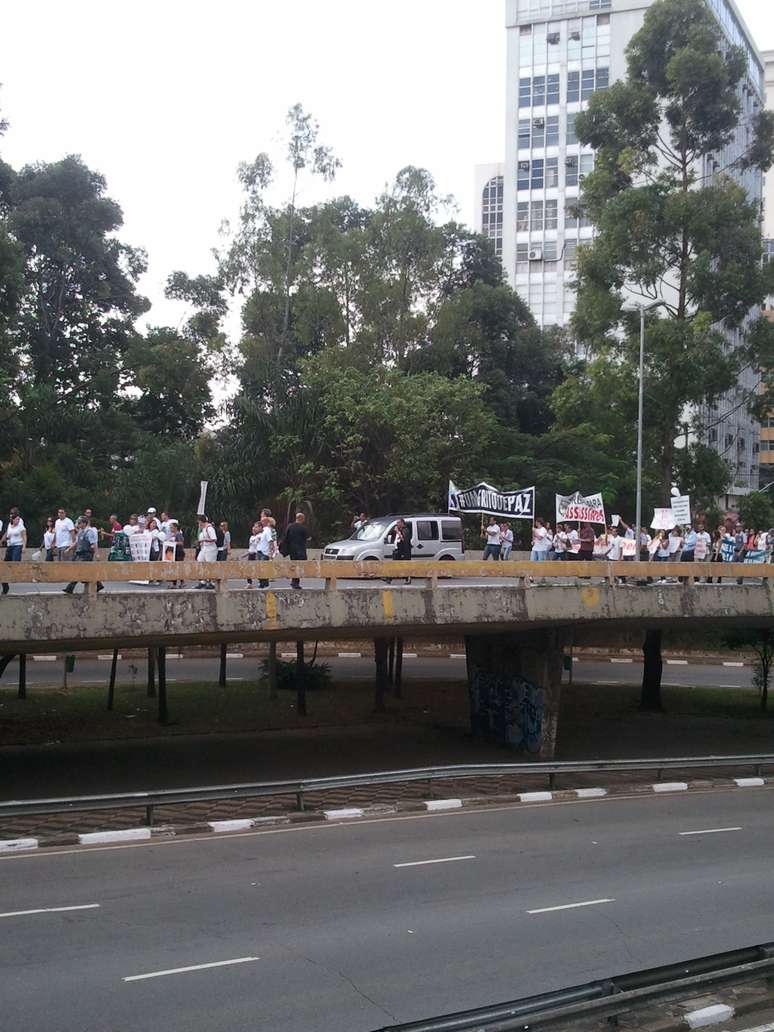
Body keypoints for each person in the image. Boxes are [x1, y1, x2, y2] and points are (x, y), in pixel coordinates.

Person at [62, 516, 104, 594]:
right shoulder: (81, 531)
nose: (78, 524)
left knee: (78, 570)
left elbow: (93, 543)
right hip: (80, 554)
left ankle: (70, 588)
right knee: (86, 572)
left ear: (84, 523)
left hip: (86, 554)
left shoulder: (89, 532)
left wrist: (97, 554)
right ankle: (98, 584)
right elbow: (77, 542)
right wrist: (69, 549)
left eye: (79, 523)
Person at [0, 512, 26, 595]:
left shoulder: (20, 526)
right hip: (10, 546)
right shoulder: (9, 525)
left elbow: (24, 536)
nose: (19, 520)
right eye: (17, 519)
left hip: (18, 545)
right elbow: (6, 534)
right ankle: (5, 586)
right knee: (4, 566)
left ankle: (17, 574)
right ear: (13, 520)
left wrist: (24, 547)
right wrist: (1, 541)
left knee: (15, 562)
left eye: (19, 519)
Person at [283, 512, 310, 589]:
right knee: (300, 565)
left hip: (292, 550)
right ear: (302, 519)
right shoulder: (303, 528)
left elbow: (286, 537)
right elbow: (308, 538)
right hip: (300, 549)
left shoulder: (290, 526)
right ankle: (295, 582)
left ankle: (294, 581)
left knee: (294, 564)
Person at [195, 514, 218, 589]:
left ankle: (212, 582)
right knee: (200, 560)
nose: (199, 524)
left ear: (202, 521)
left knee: (210, 565)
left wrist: (204, 540)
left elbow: (214, 539)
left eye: (199, 522)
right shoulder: (204, 529)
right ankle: (203, 580)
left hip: (210, 549)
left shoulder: (209, 528)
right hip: (204, 548)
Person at [386, 517, 412, 584]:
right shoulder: (399, 530)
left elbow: (404, 539)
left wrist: (398, 531)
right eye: (397, 523)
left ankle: (408, 579)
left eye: (398, 522)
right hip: (398, 550)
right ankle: (389, 578)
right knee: (394, 564)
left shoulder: (406, 530)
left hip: (404, 551)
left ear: (402, 523)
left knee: (405, 566)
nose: (397, 524)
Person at [254, 514, 277, 588]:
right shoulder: (263, 531)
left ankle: (265, 583)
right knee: (259, 568)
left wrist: (270, 552)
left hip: (264, 553)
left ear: (266, 522)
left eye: (263, 521)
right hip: (259, 551)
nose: (261, 522)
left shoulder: (267, 530)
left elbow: (270, 541)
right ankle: (261, 582)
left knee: (263, 568)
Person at [246, 520, 262, 588]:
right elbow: (251, 548)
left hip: (256, 554)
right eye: (254, 527)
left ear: (260, 528)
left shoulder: (260, 536)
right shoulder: (251, 537)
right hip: (251, 554)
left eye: (256, 527)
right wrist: (244, 555)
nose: (253, 528)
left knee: (258, 569)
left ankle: (260, 582)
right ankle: (249, 583)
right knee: (248, 569)